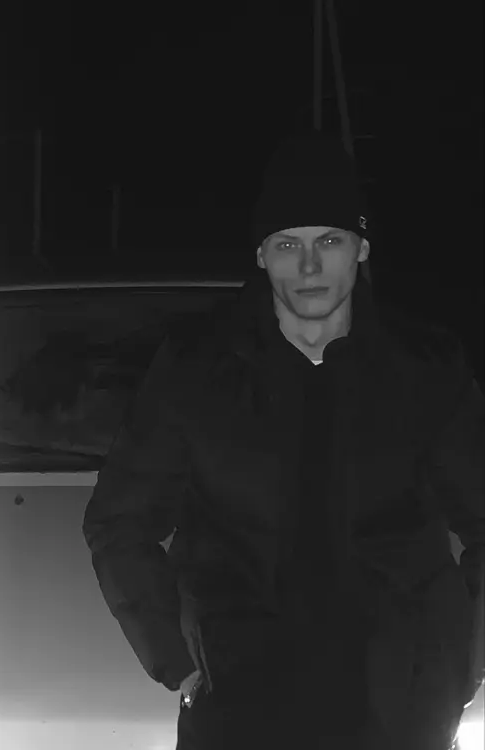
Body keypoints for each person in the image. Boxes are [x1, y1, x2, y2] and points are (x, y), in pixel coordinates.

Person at [82, 132, 484, 749]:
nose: (309, 265)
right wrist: (176, 659)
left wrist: (461, 664)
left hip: (398, 711)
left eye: (330, 241)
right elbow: (119, 523)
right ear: (262, 255)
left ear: (361, 248)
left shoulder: (423, 369)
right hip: (241, 708)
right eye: (288, 244)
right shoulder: (199, 369)